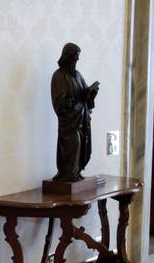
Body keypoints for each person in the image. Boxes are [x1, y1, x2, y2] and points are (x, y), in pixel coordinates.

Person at [51, 43, 99, 182]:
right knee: (74, 143)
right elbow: (59, 103)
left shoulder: (78, 75)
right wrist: (72, 101)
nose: (76, 61)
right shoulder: (59, 76)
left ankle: (76, 172)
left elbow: (85, 97)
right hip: (69, 123)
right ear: (67, 57)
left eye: (78, 58)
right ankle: (67, 174)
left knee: (83, 145)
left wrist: (91, 94)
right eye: (74, 57)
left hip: (82, 119)